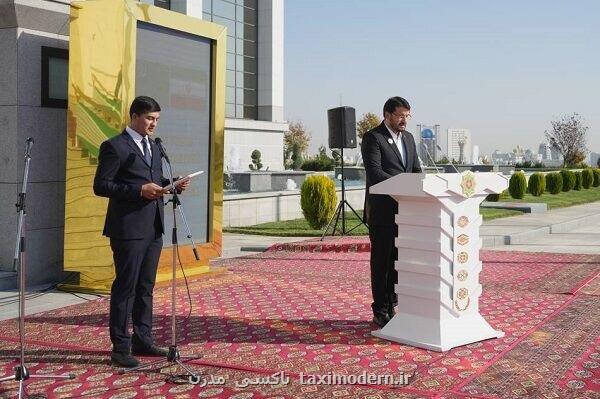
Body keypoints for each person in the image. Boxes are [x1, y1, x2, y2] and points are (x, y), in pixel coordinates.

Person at [94, 96, 189, 367]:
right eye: (149, 118)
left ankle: (142, 340)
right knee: (126, 287)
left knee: (146, 287)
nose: (153, 124)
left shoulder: (155, 146)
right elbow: (101, 185)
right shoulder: (114, 146)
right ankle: (120, 348)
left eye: (157, 119)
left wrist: (172, 184)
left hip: (153, 227)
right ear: (134, 116)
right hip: (128, 229)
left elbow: (154, 180)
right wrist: (138, 190)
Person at [360, 96, 422, 328]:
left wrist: (422, 186)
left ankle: (393, 305)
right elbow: (376, 173)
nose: (404, 120)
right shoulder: (372, 138)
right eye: (400, 116)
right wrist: (405, 188)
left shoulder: (409, 138)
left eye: (407, 116)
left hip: (405, 212)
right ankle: (380, 309)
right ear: (387, 115)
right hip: (383, 212)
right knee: (382, 262)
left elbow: (415, 170)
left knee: (398, 261)